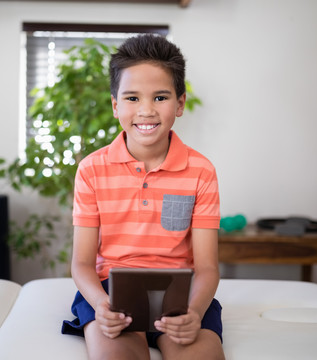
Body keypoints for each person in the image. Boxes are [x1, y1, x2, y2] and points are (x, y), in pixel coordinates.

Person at [62, 34, 225, 360]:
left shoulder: (201, 171)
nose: (147, 111)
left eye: (160, 97)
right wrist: (99, 304)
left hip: (182, 295)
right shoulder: (91, 170)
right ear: (115, 105)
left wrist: (193, 312)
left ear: (179, 104)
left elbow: (207, 267)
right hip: (110, 293)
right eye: (133, 98)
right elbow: (81, 263)